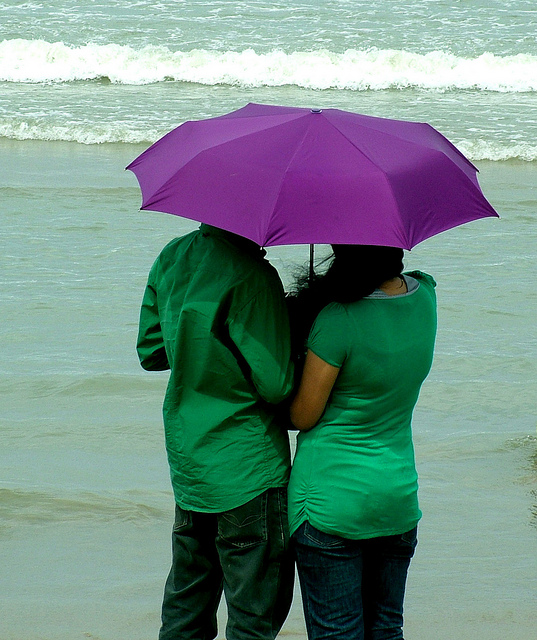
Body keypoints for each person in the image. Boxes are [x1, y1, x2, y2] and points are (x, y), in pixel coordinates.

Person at [136, 223, 295, 640]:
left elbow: (151, 352)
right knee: (254, 616)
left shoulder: (172, 255)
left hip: (192, 464)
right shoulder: (253, 275)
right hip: (248, 467)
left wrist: (197, 349)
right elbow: (276, 384)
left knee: (186, 606)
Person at [286, 244, 437, 640]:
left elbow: (303, 415)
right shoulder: (426, 295)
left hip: (330, 503)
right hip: (397, 497)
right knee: (386, 628)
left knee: (337, 633)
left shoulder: (338, 319)